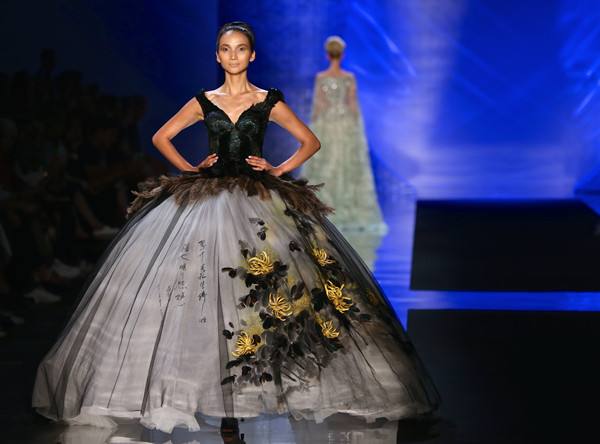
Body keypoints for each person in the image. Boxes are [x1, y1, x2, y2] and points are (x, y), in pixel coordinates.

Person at [33, 22, 439, 434]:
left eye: (240, 49)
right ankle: (207, 385)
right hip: (208, 198)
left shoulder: (266, 100)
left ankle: (258, 384)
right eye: (226, 49)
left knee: (263, 284)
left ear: (252, 55)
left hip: (256, 197)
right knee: (204, 283)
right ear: (217, 55)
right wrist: (191, 168)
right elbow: (161, 136)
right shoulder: (204, 101)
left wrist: (277, 169)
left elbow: (310, 141)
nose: (232, 56)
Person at [303, 36, 386, 236]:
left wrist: (313, 127)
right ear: (342, 55)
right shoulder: (349, 78)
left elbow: (318, 106)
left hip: (327, 125)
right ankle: (345, 209)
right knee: (345, 165)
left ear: (327, 55)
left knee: (327, 164)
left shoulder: (321, 78)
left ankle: (325, 208)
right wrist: (356, 128)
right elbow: (353, 106)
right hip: (345, 125)